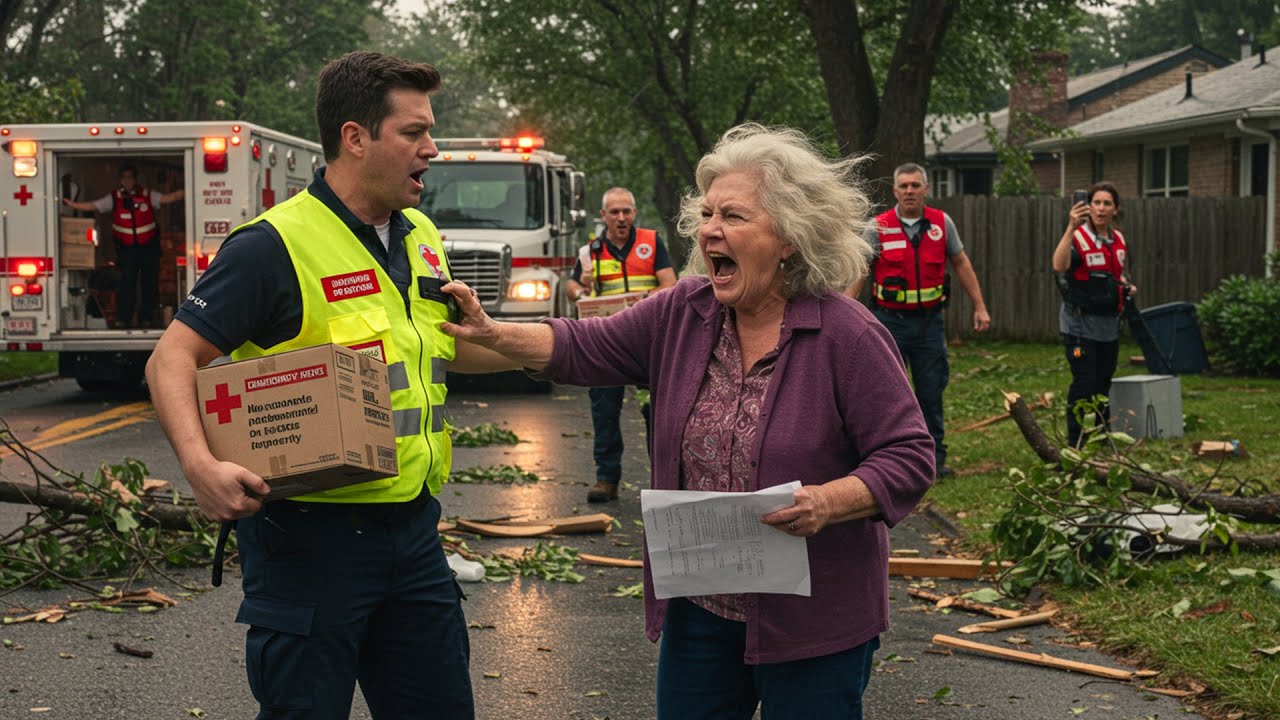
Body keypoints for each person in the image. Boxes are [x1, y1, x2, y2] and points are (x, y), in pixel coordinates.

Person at [443, 124, 935, 719]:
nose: (709, 231)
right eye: (705, 214)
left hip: (813, 620)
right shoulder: (683, 312)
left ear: (788, 238)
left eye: (733, 215)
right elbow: (580, 346)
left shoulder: (848, 334)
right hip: (701, 611)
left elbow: (909, 457)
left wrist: (827, 503)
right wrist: (495, 333)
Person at [145, 51, 515, 720]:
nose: (431, 149)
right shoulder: (273, 245)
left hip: (415, 539)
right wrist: (200, 467)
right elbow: (171, 358)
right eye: (413, 133)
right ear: (354, 137)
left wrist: (572, 351)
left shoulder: (421, 235)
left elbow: (446, 349)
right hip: (310, 544)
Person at [847, 163, 991, 478]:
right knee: (888, 393)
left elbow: (961, 263)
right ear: (895, 191)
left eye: (915, 185)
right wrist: (846, 310)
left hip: (929, 324)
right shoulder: (878, 226)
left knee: (930, 391)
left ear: (926, 189)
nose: (910, 191)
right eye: (904, 186)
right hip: (889, 323)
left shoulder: (942, 224)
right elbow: (860, 271)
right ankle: (885, 459)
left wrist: (979, 306)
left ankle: (934, 461)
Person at [563, 187, 677, 502]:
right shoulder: (591, 251)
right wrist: (580, 293)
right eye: (615, 212)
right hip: (606, 341)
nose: (621, 218)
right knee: (604, 411)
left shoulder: (651, 242)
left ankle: (663, 483)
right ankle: (606, 480)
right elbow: (571, 285)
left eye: (626, 211)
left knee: (657, 412)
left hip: (647, 340)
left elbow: (669, 283)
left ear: (634, 213)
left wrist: (643, 302)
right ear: (604, 216)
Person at [1052, 182, 1134, 448]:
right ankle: (1075, 442)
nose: (1100, 208)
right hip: (1079, 326)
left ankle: (1102, 437)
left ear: (1115, 209)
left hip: (1108, 326)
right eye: (1096, 203)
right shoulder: (1077, 237)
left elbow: (1117, 274)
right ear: (1088, 207)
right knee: (1084, 383)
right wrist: (1070, 227)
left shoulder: (1119, 239)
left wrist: (1126, 287)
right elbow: (1059, 265)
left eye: (1106, 203)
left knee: (1103, 384)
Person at [62, 164, 185, 327]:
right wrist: (72, 205)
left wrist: (188, 189)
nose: (127, 181)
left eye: (130, 177)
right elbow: (93, 205)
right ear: (121, 180)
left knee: (150, 283)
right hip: (126, 249)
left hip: (149, 248)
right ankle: (123, 318)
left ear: (135, 179)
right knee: (127, 283)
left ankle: (147, 318)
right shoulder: (114, 197)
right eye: (124, 177)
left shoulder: (148, 195)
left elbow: (168, 198)